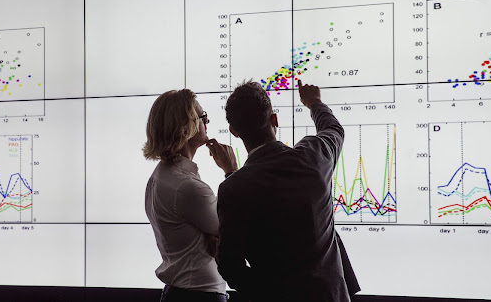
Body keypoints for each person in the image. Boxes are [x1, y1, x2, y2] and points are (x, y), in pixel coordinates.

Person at [209, 79, 360, 301]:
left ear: (234, 131)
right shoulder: (314, 155)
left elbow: (230, 266)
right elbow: (333, 129)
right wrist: (314, 102)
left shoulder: (234, 187)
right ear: (274, 119)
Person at [143, 89, 237, 302]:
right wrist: (231, 173)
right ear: (186, 129)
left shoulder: (160, 177)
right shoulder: (187, 187)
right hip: (200, 297)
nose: (208, 121)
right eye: (203, 117)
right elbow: (237, 230)